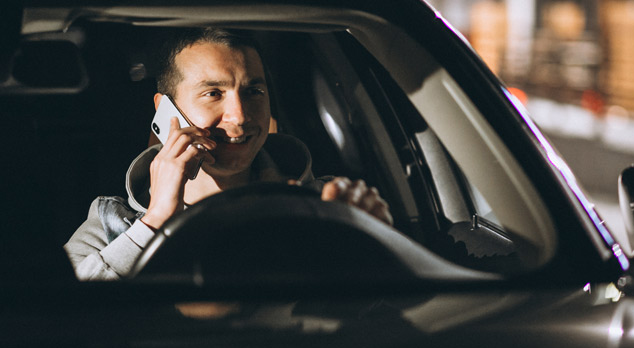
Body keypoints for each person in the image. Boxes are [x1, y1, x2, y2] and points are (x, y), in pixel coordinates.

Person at [65, 28, 392, 281]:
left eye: (253, 92)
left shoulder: (328, 204)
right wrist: (154, 222)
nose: (239, 116)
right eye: (213, 94)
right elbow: (60, 322)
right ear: (165, 111)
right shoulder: (112, 223)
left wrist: (376, 244)